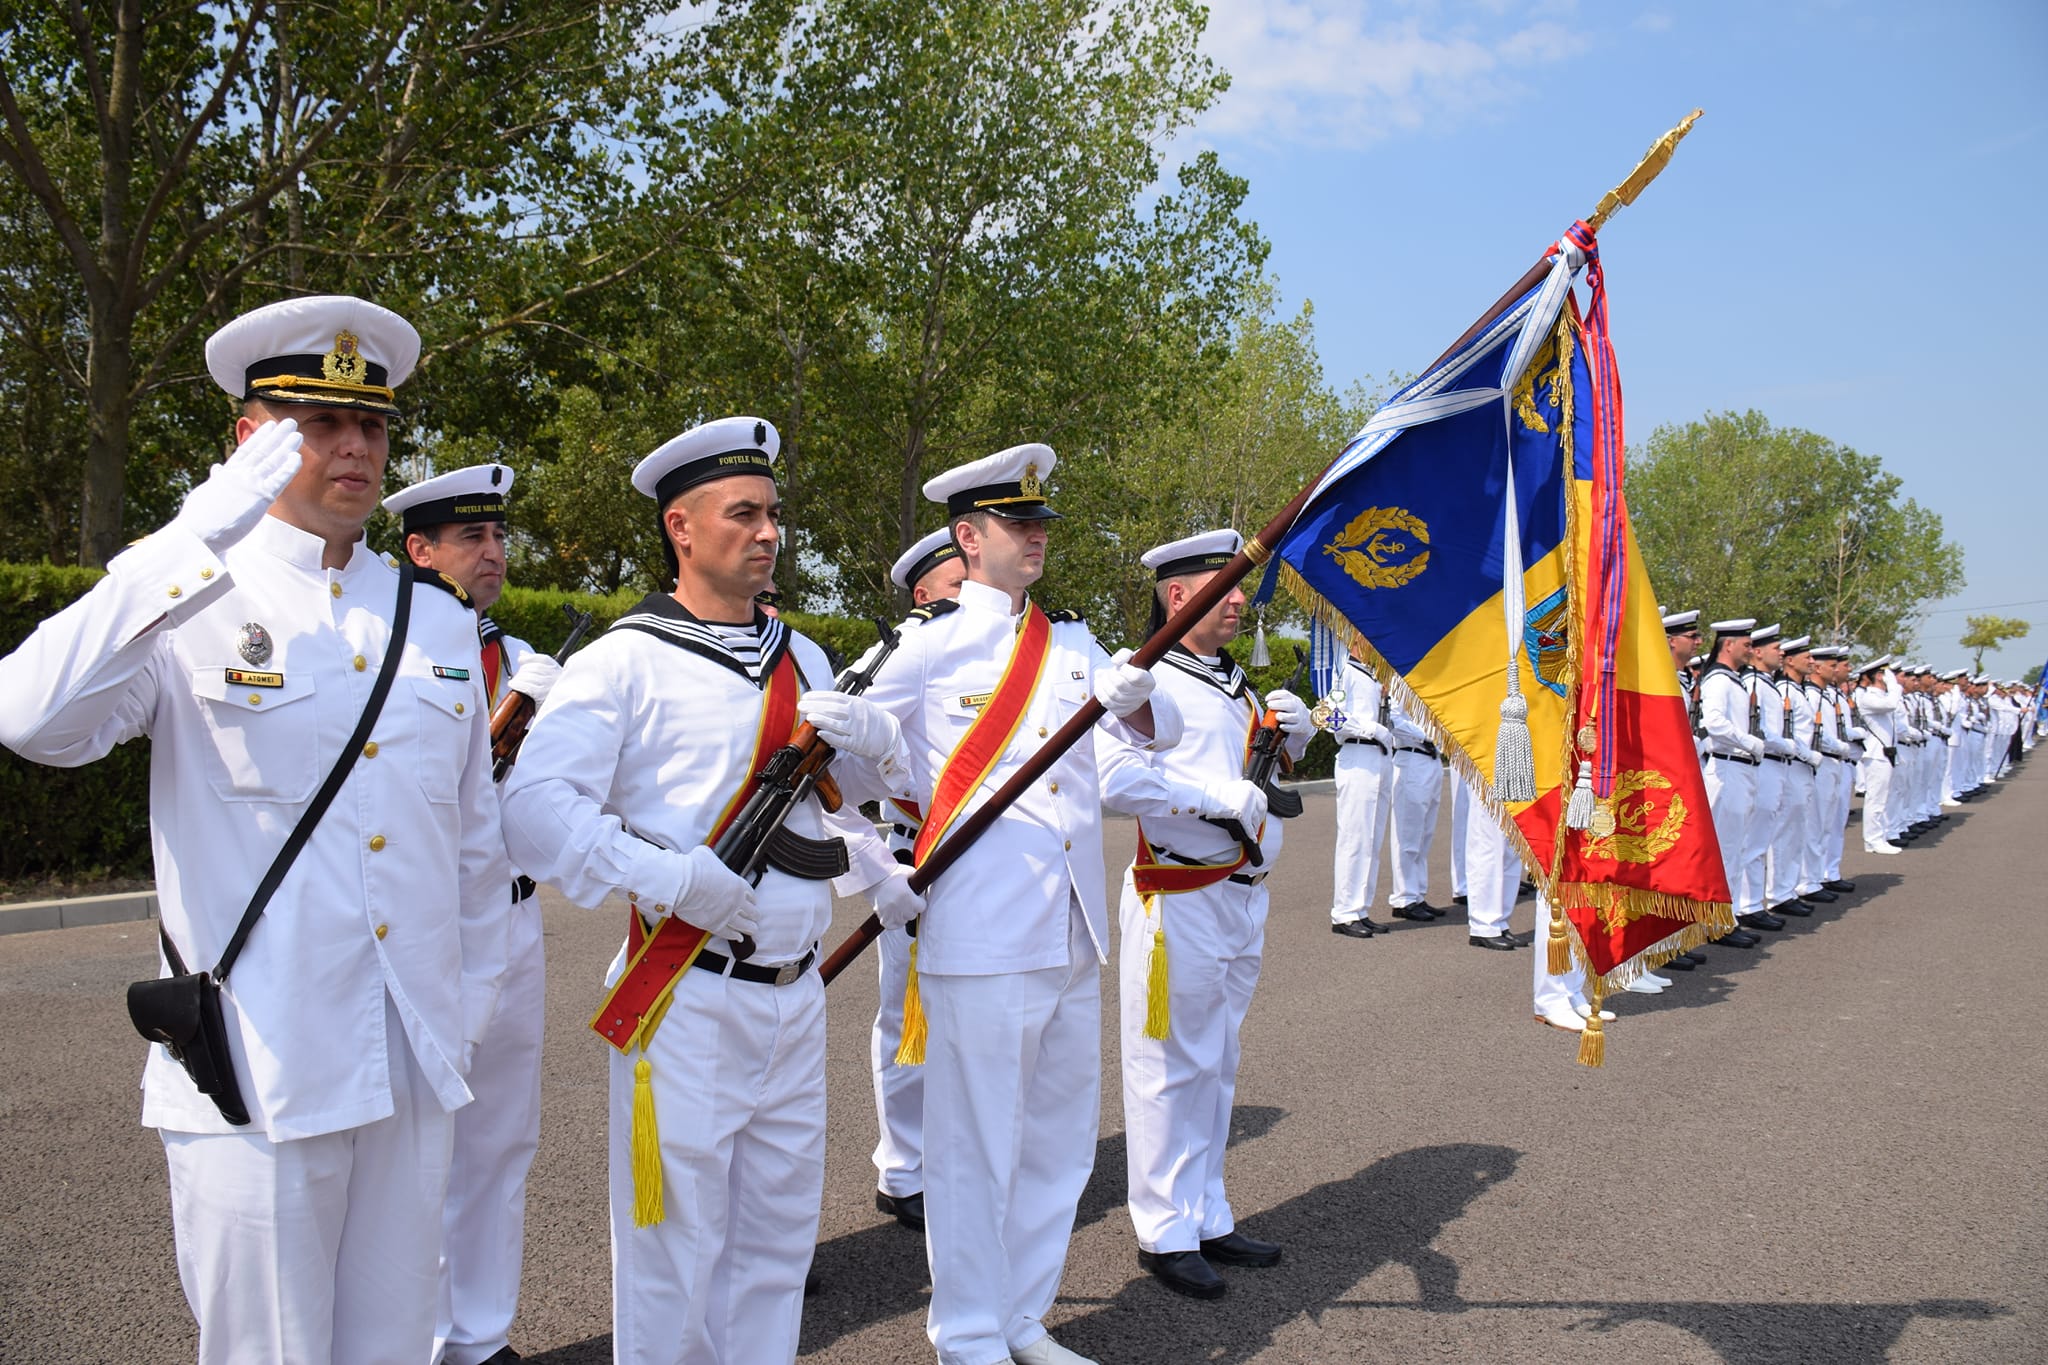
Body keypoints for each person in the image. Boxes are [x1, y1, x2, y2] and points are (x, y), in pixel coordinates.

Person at [0, 296, 509, 1362]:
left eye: (370, 424)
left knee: (393, 1346)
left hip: (409, 1061)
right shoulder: (188, 596)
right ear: (250, 439)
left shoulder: (434, 617)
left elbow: (470, 845)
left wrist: (465, 1012)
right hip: (258, 1066)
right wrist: (187, 537)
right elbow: (30, 717)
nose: (354, 447)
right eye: (319, 423)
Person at [500, 416, 914, 1365]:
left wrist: (881, 752)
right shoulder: (624, 660)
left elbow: (834, 802)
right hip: (687, 992)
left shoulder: (803, 657)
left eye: (773, 512)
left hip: (796, 991)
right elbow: (533, 809)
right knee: (672, 1257)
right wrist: (672, 877)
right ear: (680, 527)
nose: (769, 532)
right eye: (743, 513)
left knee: (776, 1246)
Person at [853, 442, 1180, 1365]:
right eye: (1017, 522)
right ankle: (966, 1334)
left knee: (1059, 1145)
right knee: (973, 1148)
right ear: (969, 536)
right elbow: (833, 770)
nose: (1036, 536)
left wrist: (1139, 701)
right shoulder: (925, 646)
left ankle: (1021, 1317)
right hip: (982, 932)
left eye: (1041, 522)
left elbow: (1162, 731)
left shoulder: (1072, 641)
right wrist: (875, 870)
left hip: (1072, 927)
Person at [1098, 529, 1311, 1301]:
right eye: (1226, 587)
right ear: (1178, 595)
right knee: (1165, 1065)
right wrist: (1210, 797)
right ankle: (1163, 1227)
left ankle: (1206, 1209)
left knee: (1216, 1059)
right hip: (1180, 893)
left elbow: (1261, 767)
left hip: (1242, 894)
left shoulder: (1236, 683)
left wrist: (1295, 735)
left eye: (1240, 586)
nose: (1240, 600)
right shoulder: (1144, 679)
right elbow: (1114, 780)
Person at [385, 462, 564, 1365]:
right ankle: (405, 1335)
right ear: (420, 550)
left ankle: (478, 1334)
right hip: (422, 923)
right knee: (412, 1143)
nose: (493, 551)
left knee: (499, 1135)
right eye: (471, 537)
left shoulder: (521, 657)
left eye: (498, 535)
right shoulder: (385, 649)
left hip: (513, 914)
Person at [868, 527, 968, 1236]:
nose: (971, 594)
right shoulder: (899, 654)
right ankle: (904, 1167)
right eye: (958, 584)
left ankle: (956, 1157)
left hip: (988, 868)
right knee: (910, 1022)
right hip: (919, 862)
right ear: (923, 593)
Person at [1697, 620, 1765, 949]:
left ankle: (1728, 916)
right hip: (1727, 766)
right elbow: (1714, 722)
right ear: (1728, 645)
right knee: (1724, 851)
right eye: (1746, 644)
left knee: (1735, 849)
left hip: (1740, 768)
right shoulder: (1719, 680)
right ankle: (1717, 922)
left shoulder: (1733, 680)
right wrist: (1749, 742)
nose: (1750, 650)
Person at [1325, 642, 1397, 940]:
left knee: (1372, 838)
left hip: (1380, 757)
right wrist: (1370, 728)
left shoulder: (1375, 676)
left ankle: (1360, 909)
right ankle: (1344, 912)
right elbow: (1330, 717)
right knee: (1354, 838)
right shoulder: (1344, 672)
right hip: (1357, 754)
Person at [1383, 693, 1447, 922]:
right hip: (1411, 757)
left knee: (1424, 835)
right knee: (1407, 835)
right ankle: (1404, 898)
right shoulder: (1401, 684)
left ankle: (1417, 894)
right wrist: (1426, 735)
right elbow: (1393, 720)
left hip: (1432, 759)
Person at [1852, 656, 1903, 855]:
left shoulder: (1881, 696)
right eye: (1885, 674)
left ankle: (1880, 837)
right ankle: (1873, 840)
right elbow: (1891, 704)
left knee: (1883, 799)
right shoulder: (1868, 697)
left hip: (1886, 753)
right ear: (1878, 676)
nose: (1891, 678)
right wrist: (1895, 686)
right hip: (1876, 755)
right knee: (1876, 800)